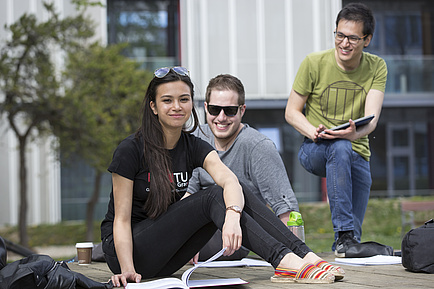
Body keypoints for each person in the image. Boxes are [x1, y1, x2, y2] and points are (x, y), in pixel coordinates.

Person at [100, 66, 344, 287]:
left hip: (163, 257)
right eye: (167, 100)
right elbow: (120, 220)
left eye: (183, 99)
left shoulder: (193, 145)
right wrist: (128, 270)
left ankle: (305, 255)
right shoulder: (130, 150)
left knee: (234, 189)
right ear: (153, 106)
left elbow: (229, 181)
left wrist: (232, 216)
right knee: (213, 196)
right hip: (128, 253)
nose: (177, 106)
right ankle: (284, 261)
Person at [285, 3, 387, 257]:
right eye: (340, 35)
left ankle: (345, 244)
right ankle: (342, 234)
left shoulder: (377, 67)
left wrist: (355, 133)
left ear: (367, 40)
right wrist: (312, 130)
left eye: (353, 38)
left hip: (357, 151)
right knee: (339, 147)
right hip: (315, 147)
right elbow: (291, 112)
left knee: (353, 244)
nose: (344, 43)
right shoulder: (314, 63)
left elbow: (371, 119)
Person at [187, 74, 300, 261]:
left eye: (230, 110)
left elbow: (286, 209)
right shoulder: (196, 138)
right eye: (215, 109)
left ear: (242, 110)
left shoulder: (258, 146)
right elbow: (187, 196)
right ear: (206, 108)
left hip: (235, 233)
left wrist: (296, 256)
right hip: (198, 227)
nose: (221, 118)